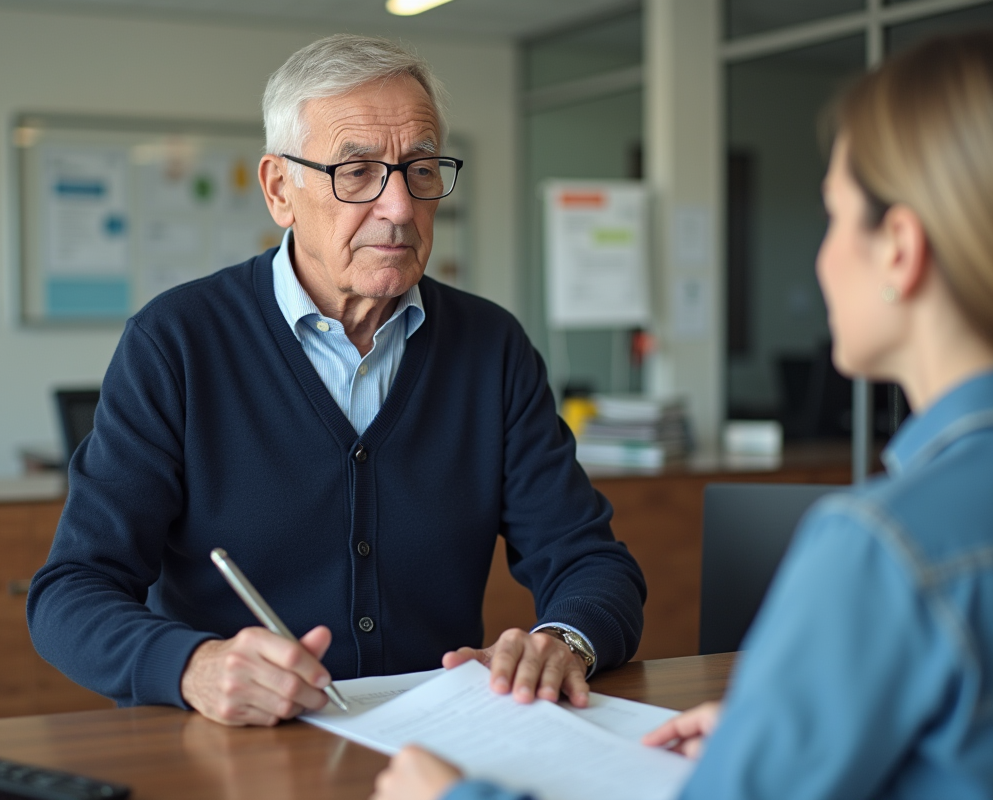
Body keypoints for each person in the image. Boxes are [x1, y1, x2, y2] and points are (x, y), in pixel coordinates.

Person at [371, 28, 993, 800]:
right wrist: (778, 740)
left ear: (899, 248)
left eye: (834, 218)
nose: (821, 258)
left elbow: (591, 562)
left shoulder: (887, 549)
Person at [27, 34, 646, 728]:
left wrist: (562, 640)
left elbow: (591, 562)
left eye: (420, 169)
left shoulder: (491, 346)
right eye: (356, 172)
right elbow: (70, 593)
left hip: (434, 747)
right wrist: (191, 666)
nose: (400, 208)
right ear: (278, 189)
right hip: (232, 751)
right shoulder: (176, 341)